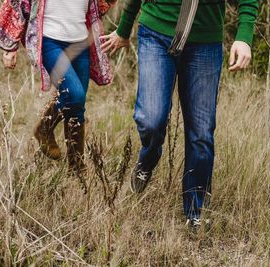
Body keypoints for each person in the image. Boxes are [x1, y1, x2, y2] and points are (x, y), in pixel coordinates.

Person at [101, 0, 258, 226]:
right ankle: (148, 158)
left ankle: (194, 213)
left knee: (201, 133)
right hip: (156, 33)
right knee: (151, 120)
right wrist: (124, 29)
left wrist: (244, 36)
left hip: (204, 42)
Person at [0, 0, 114, 172]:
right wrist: (10, 47)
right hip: (50, 41)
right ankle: (44, 128)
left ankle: (77, 169)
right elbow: (18, 3)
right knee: (75, 95)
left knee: (76, 105)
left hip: (81, 42)